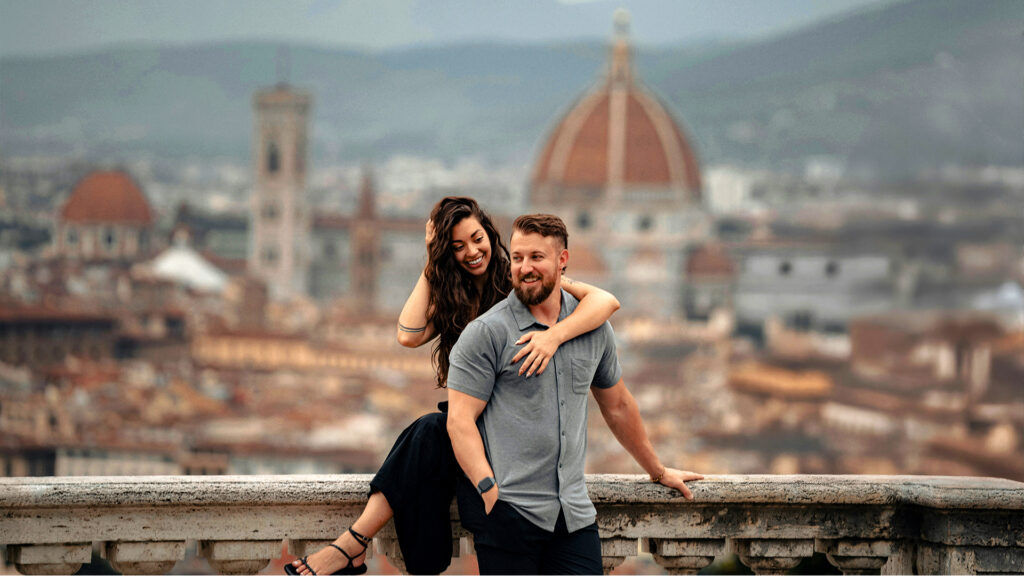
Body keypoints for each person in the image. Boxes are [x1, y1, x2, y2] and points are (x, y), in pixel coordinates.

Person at [288, 198, 620, 575]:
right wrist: (431, 261)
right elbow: (408, 335)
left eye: (476, 239)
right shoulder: (452, 292)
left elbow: (604, 301)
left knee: (428, 432)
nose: (471, 252)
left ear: (492, 236)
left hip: (508, 440)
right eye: (457, 246)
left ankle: (351, 546)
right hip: (470, 428)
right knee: (429, 432)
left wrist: (554, 337)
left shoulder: (521, 275)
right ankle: (353, 545)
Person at [446, 214, 704, 575]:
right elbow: (459, 421)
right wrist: (490, 492)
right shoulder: (486, 333)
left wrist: (657, 471)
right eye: (517, 258)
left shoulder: (593, 330)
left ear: (562, 261)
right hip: (510, 515)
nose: (524, 268)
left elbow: (617, 407)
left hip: (573, 518)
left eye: (536, 257)